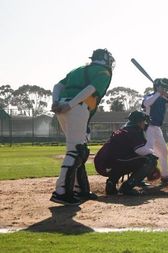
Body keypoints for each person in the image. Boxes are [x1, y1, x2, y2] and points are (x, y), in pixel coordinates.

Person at [50, 48, 115, 205]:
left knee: (80, 150)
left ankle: (81, 189)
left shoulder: (78, 70)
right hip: (77, 108)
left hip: (64, 106)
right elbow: (90, 89)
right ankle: (62, 192)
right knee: (76, 150)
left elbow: (57, 85)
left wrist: (56, 101)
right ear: (105, 60)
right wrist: (71, 104)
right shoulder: (103, 72)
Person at [94, 111, 160, 196]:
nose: (145, 124)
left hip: (102, 163)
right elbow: (140, 150)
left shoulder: (123, 129)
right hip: (113, 162)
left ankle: (111, 184)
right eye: (144, 121)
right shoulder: (134, 130)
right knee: (150, 160)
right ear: (139, 122)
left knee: (124, 159)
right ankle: (127, 187)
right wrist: (152, 154)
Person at [142, 78, 168, 184]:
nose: (166, 89)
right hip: (148, 127)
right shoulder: (150, 96)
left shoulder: (164, 97)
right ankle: (139, 178)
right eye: (164, 87)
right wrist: (158, 93)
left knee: (163, 151)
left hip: (157, 128)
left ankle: (165, 175)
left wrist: (164, 94)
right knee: (147, 152)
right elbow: (146, 103)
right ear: (157, 87)